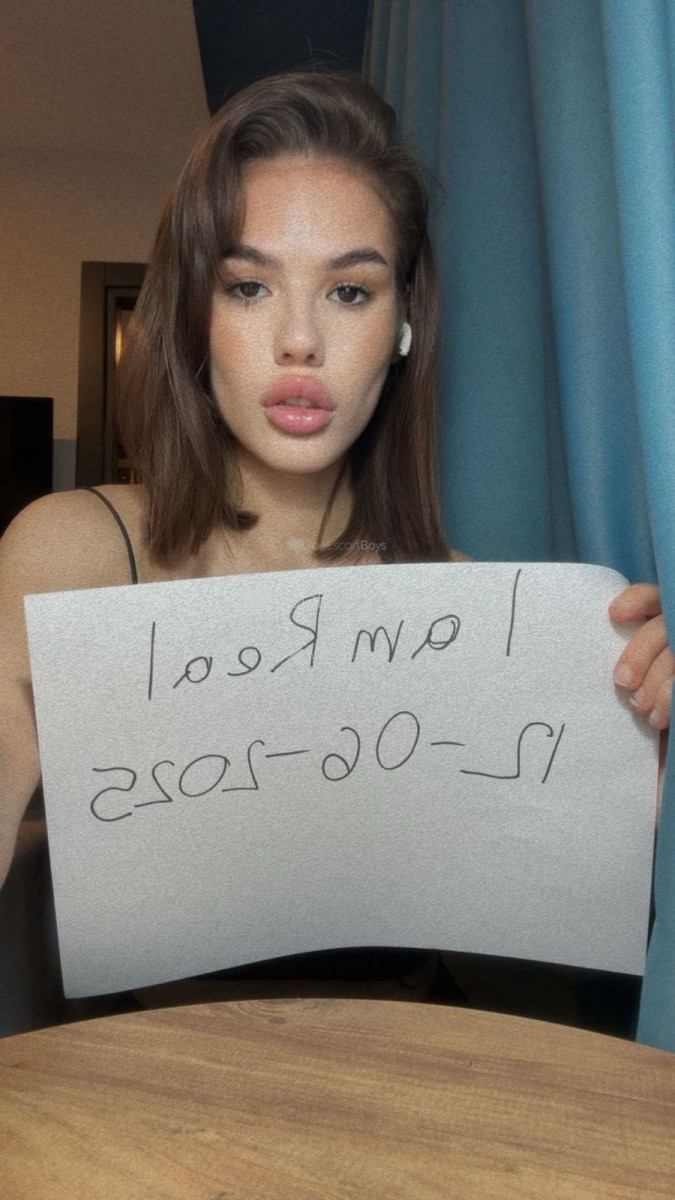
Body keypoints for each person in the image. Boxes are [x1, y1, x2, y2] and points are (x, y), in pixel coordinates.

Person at [0, 71, 671, 1012]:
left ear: (403, 325)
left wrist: (639, 762)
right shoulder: (72, 556)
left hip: (418, 1064)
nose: (299, 340)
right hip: (148, 1077)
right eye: (247, 286)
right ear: (195, 316)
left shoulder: (473, 614)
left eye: (350, 292)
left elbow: (575, 952)